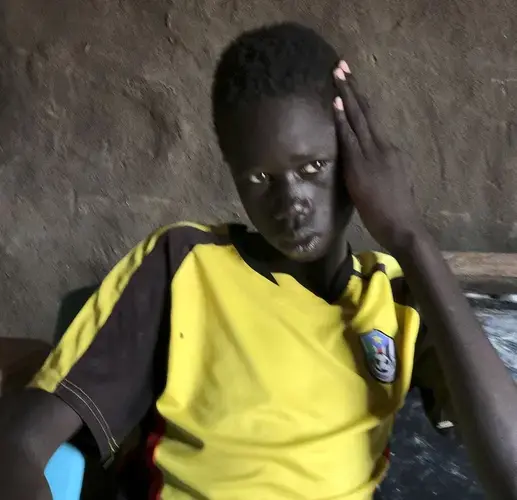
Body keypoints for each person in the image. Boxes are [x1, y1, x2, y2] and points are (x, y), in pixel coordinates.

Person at [1, 22, 517, 500]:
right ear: (232, 172)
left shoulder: (398, 296)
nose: (291, 202)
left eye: (314, 166)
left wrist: (409, 235)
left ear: (358, 156)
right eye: (259, 179)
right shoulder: (184, 267)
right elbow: (19, 446)